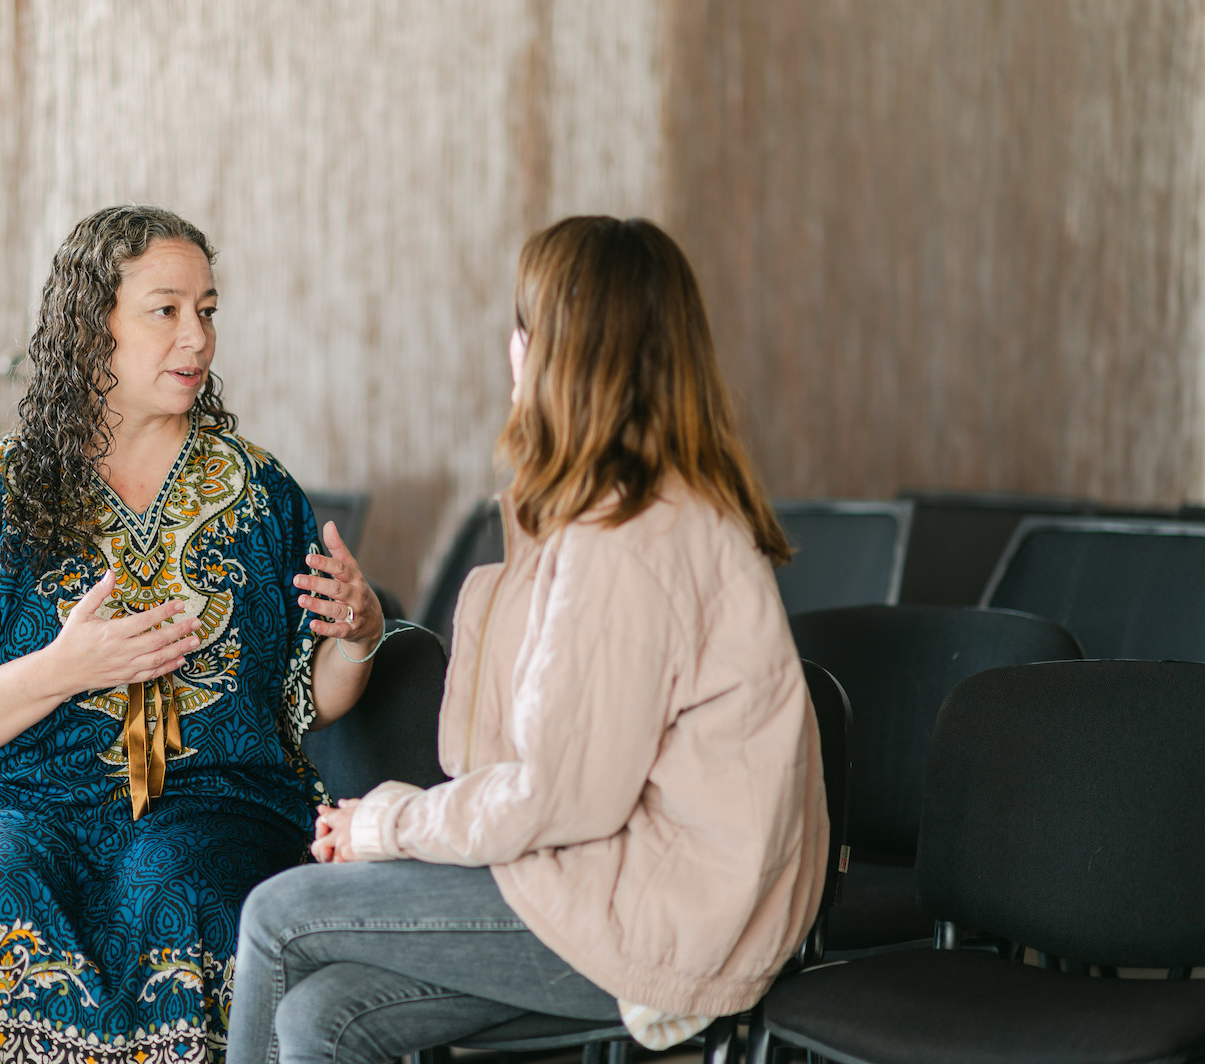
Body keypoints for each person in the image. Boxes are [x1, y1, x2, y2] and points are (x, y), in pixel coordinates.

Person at [225, 216, 830, 1064]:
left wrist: (385, 823)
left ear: (558, 353)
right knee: (322, 1018)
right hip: (621, 878)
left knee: (278, 917)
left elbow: (558, 797)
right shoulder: (617, 515)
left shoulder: (632, 540)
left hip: (662, 921)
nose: (511, 349)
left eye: (523, 327)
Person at [0, 205, 384, 1064]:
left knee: (181, 888)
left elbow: (301, 703)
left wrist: (355, 636)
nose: (197, 338)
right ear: (90, 323)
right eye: (165, 310)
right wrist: (62, 670)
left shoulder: (258, 493)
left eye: (207, 310)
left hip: (212, 799)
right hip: (10, 797)